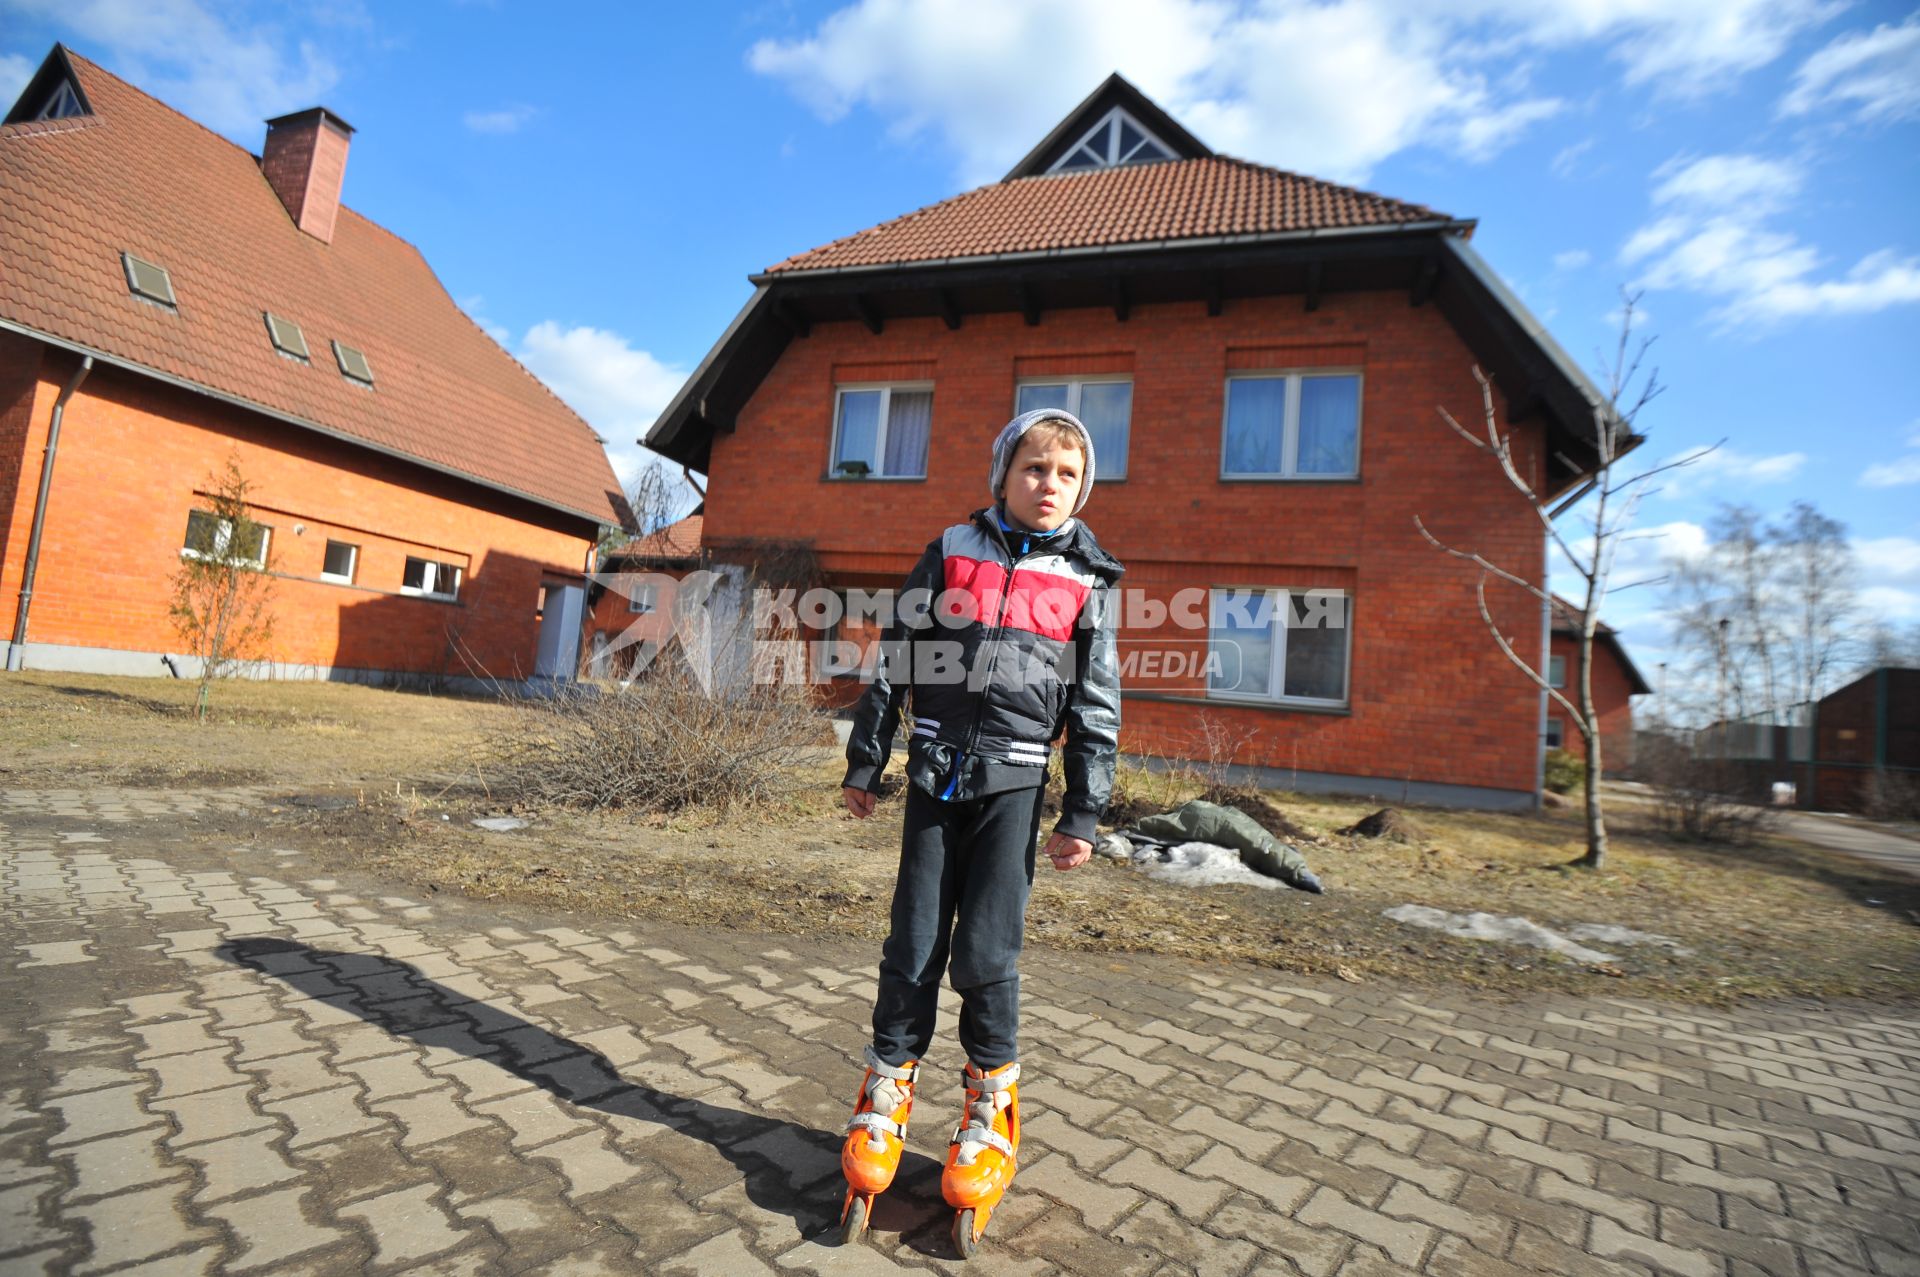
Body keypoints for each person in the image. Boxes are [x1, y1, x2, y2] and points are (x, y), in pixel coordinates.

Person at [834, 407, 1124, 1255]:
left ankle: (990, 1105)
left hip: (1017, 783)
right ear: (1002, 474)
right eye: (1034, 468)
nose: (1049, 485)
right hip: (933, 774)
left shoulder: (1088, 578)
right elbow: (900, 656)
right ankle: (886, 1091)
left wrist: (1083, 811)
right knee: (914, 941)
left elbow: (1096, 705)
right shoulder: (952, 549)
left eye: (1066, 474)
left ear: (1082, 487)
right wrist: (867, 760)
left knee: (987, 954)